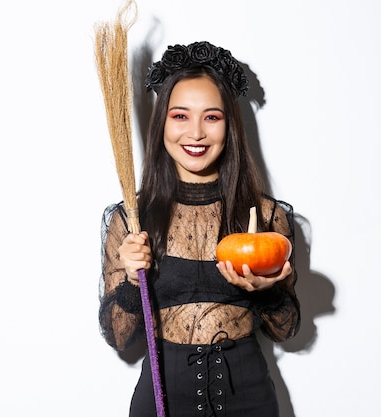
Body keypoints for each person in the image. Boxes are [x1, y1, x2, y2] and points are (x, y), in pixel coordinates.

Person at [98, 40, 300, 417]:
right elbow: (119, 338)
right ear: (162, 124)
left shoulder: (265, 217)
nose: (195, 133)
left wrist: (267, 293)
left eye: (211, 117)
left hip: (249, 399)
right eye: (180, 116)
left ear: (230, 125)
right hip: (163, 400)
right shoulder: (131, 219)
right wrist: (129, 277)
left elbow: (285, 329)